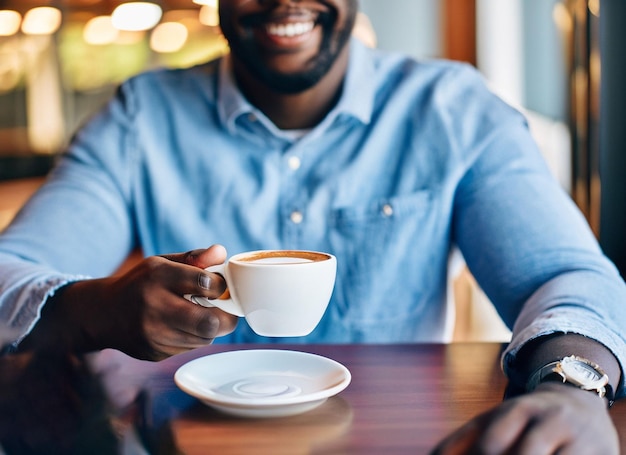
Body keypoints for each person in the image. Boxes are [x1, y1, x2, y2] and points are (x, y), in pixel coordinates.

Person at [0, 0, 624, 452]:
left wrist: (570, 382)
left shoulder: (454, 112)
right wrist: (92, 309)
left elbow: (565, 272)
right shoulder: (138, 119)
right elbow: (11, 270)